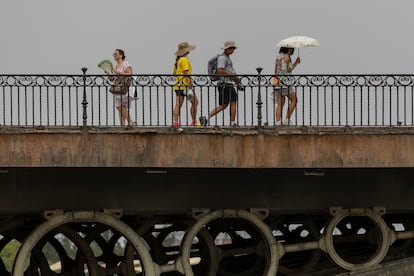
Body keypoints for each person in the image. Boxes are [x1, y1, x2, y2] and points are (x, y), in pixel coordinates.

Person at [199, 41, 244, 127]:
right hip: (226, 84)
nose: (233, 50)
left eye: (233, 48)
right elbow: (220, 70)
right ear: (227, 49)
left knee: (223, 105)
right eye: (232, 48)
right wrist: (231, 75)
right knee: (233, 102)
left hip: (224, 84)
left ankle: (206, 118)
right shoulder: (223, 58)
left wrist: (236, 80)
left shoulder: (225, 58)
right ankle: (232, 123)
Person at [104, 49, 135, 127]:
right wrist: (108, 73)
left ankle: (131, 122)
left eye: (116, 54)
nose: (114, 55)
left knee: (121, 106)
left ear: (121, 55)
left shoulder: (126, 64)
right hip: (118, 88)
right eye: (114, 54)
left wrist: (117, 72)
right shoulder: (115, 67)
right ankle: (122, 125)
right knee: (120, 107)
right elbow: (112, 80)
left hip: (125, 87)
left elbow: (129, 74)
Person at [173, 42, 200, 128]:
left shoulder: (177, 61)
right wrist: (190, 84)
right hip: (185, 86)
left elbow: (174, 73)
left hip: (178, 86)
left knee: (178, 105)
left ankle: (176, 122)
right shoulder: (184, 59)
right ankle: (193, 121)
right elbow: (186, 73)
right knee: (195, 102)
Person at [273, 47, 300, 125]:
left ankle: (278, 121)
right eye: (289, 48)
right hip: (284, 82)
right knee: (294, 100)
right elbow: (285, 70)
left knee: (280, 102)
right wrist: (292, 63)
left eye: (291, 48)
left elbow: (284, 69)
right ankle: (287, 119)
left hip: (277, 81)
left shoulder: (279, 56)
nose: (291, 49)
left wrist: (295, 63)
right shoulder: (285, 57)